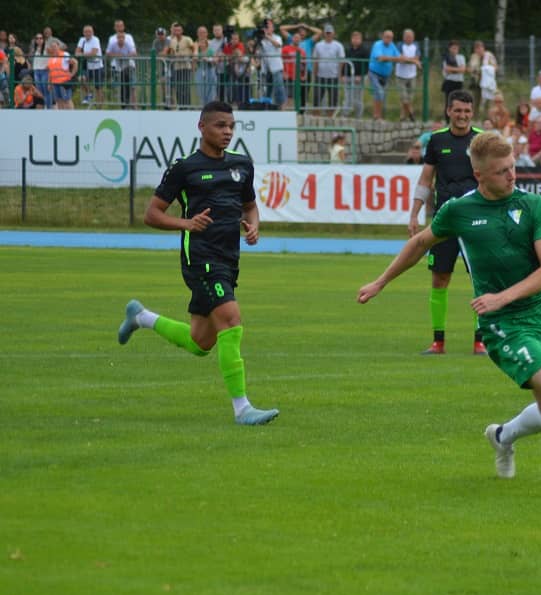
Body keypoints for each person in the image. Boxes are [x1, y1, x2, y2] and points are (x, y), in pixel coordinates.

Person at [357, 131, 541, 498]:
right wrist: (381, 282)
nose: (512, 175)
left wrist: (501, 296)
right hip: (503, 326)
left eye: (513, 167)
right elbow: (421, 242)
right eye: (502, 171)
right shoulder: (459, 210)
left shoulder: (533, 206)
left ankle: (502, 436)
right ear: (479, 174)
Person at [117, 101, 278, 426]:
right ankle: (242, 409)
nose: (227, 132)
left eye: (231, 126)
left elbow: (249, 206)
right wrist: (186, 223)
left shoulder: (242, 164)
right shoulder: (184, 168)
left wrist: (253, 225)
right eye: (220, 125)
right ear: (202, 127)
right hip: (201, 258)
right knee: (231, 321)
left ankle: (141, 317)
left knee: (201, 342)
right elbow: (152, 214)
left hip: (229, 258)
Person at [407, 90, 485, 355]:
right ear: (449, 111)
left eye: (467, 111)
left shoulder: (482, 139)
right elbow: (425, 179)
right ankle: (438, 342)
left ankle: (480, 340)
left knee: (481, 280)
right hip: (444, 221)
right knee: (439, 278)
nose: (462, 115)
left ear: (472, 112)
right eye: (458, 110)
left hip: (476, 221)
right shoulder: (437, 140)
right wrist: (414, 213)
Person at [312, 24, 345, 115]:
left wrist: (339, 74)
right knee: (317, 97)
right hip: (320, 76)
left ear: (333, 33)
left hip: (333, 76)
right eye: (327, 33)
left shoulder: (338, 45)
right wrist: (315, 74)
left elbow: (341, 60)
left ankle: (330, 117)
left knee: (333, 99)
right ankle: (316, 116)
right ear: (324, 33)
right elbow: (316, 60)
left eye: (330, 33)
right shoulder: (318, 45)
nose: (328, 34)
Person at [368, 29, 401, 120]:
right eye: (387, 37)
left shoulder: (392, 46)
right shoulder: (377, 44)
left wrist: (413, 61)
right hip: (374, 73)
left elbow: (399, 56)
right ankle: (377, 116)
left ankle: (377, 115)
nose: (388, 39)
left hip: (385, 75)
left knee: (381, 95)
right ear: (383, 37)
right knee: (379, 93)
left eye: (390, 38)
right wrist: (394, 59)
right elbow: (380, 58)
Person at [395, 29, 421, 121]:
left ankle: (403, 116)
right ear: (404, 37)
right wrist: (414, 61)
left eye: (410, 36)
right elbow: (401, 58)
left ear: (413, 37)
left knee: (410, 98)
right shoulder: (400, 45)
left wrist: (411, 60)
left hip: (412, 75)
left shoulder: (416, 45)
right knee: (403, 97)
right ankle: (411, 113)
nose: (409, 38)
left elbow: (417, 57)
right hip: (400, 75)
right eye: (407, 36)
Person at [343, 30, 369, 118]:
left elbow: (366, 65)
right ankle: (345, 115)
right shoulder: (348, 50)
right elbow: (345, 63)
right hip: (348, 77)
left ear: (361, 40)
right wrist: (343, 75)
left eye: (357, 38)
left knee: (357, 98)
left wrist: (361, 76)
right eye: (354, 38)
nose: (355, 40)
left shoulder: (365, 50)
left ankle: (358, 117)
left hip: (359, 78)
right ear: (351, 39)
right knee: (347, 97)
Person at [75, 25, 104, 105]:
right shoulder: (82, 40)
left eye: (89, 31)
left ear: (93, 32)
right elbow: (76, 53)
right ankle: (89, 93)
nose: (88, 33)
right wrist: (87, 54)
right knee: (81, 79)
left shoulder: (95, 39)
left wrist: (82, 54)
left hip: (98, 67)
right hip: (88, 66)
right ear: (83, 33)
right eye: (86, 32)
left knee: (98, 88)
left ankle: (100, 107)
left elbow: (93, 53)